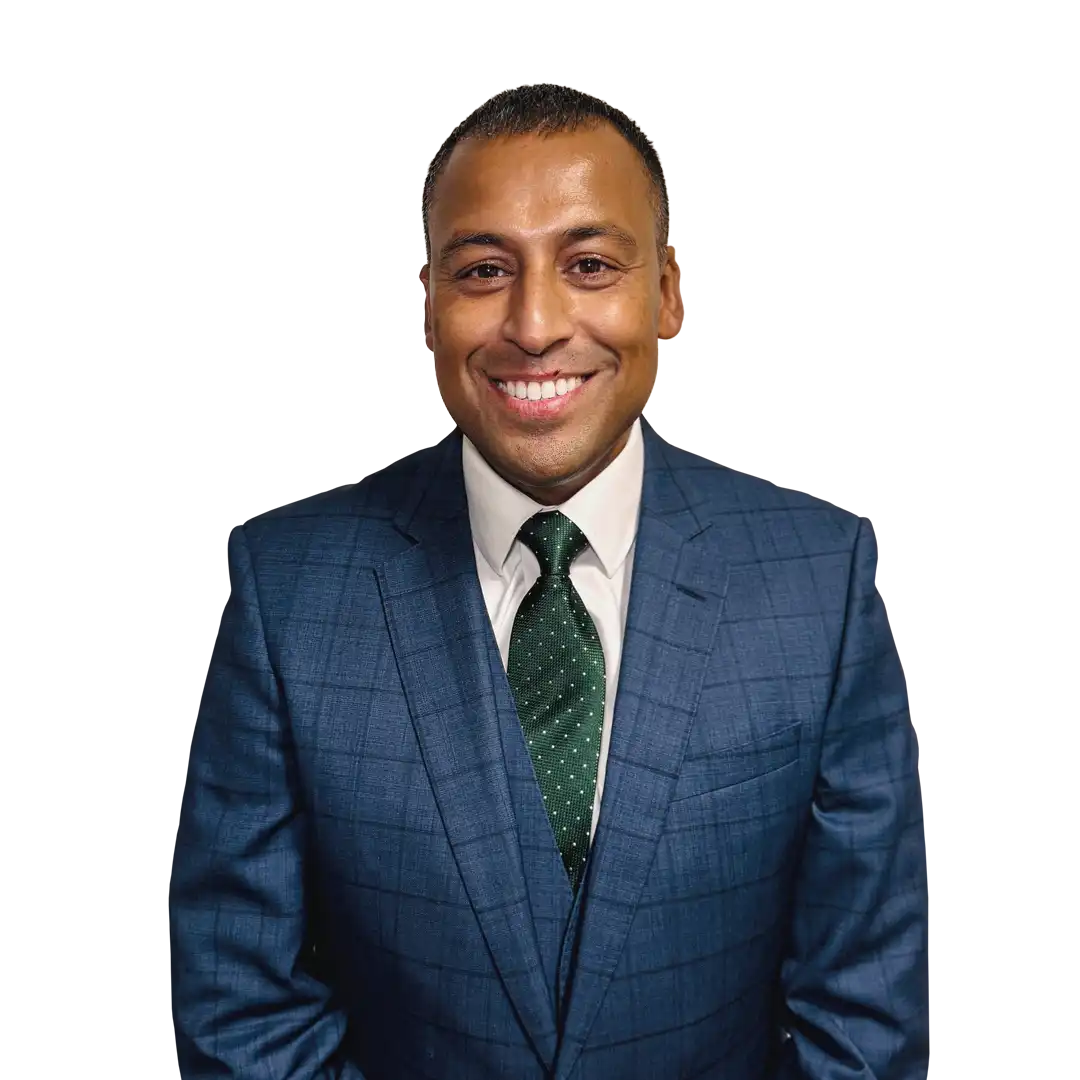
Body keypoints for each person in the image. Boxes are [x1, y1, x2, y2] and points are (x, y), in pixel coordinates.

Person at [170, 81, 929, 1079]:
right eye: (484, 270)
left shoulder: (819, 582)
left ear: (666, 292)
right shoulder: (286, 589)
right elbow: (240, 1010)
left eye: (590, 265)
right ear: (430, 304)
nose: (533, 324)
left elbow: (864, 1021)